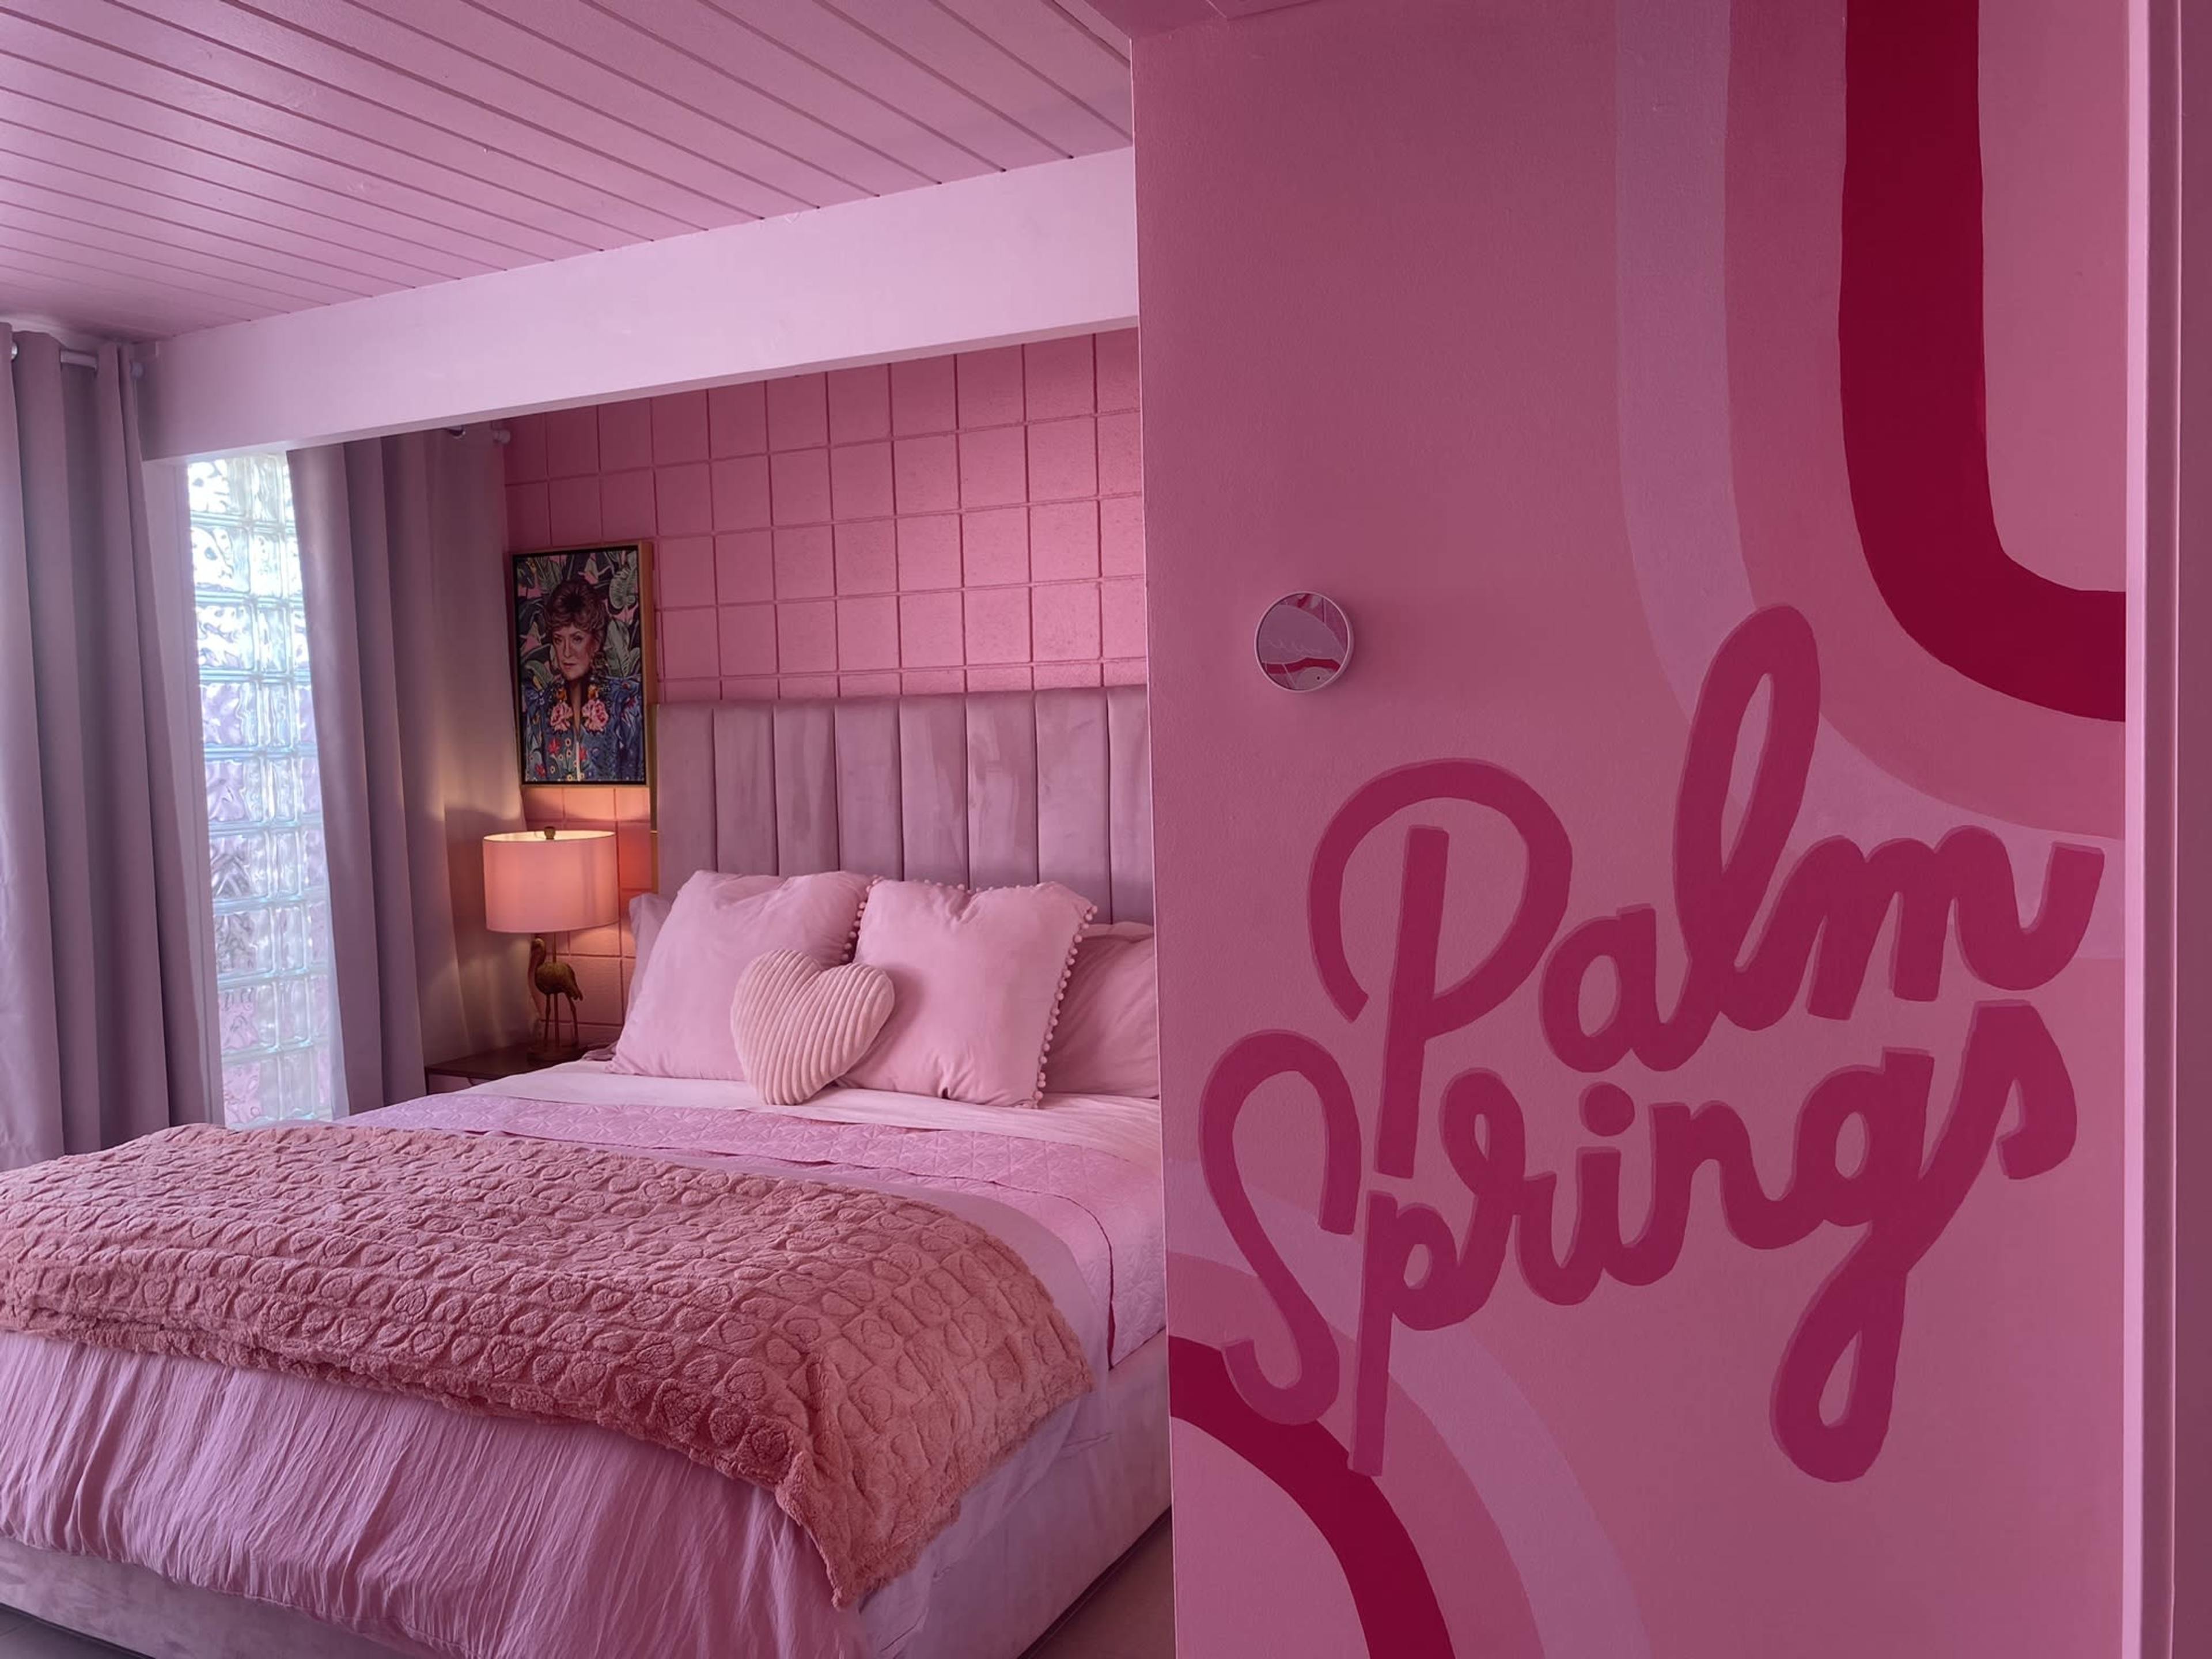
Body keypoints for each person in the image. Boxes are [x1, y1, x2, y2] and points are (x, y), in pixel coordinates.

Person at [521, 576, 643, 782]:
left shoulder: (624, 702)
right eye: (559, 640)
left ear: (595, 643)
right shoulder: (540, 707)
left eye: (577, 639)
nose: (566, 652)